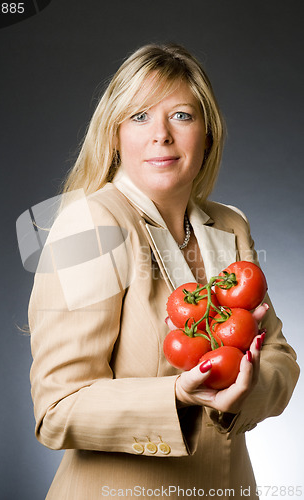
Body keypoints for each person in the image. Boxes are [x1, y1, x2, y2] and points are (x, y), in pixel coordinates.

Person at [28, 44, 299, 499]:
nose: (161, 135)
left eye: (181, 116)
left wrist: (245, 389)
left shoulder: (230, 224)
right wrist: (178, 395)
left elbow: (280, 359)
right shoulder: (88, 222)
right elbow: (57, 408)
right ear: (114, 136)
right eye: (139, 117)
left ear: (207, 135)